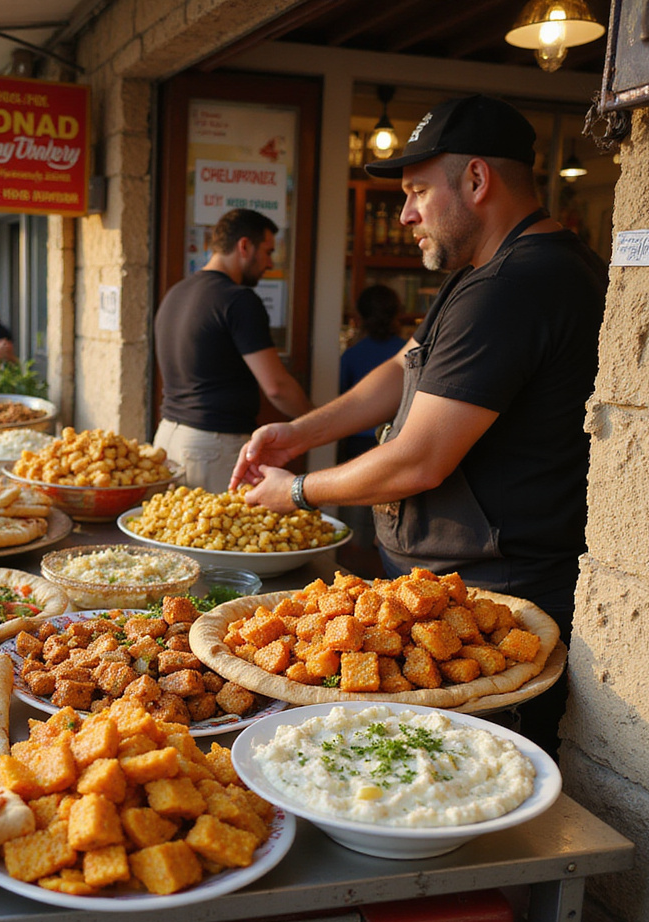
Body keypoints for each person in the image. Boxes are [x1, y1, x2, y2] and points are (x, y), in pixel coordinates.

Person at [230, 95, 608, 754]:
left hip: (492, 600)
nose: (405, 214)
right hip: (447, 587)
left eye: (416, 192)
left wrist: (296, 491)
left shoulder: (515, 285)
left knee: (458, 770)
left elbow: (418, 461)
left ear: (477, 180)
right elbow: (406, 370)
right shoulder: (484, 273)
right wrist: (296, 435)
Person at [152, 208, 311, 492]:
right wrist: (318, 423)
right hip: (211, 447)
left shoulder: (176, 293)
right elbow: (276, 387)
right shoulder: (238, 300)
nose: (270, 263)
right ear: (244, 246)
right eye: (267, 251)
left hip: (167, 440)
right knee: (212, 536)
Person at [338, 284, 405, 463]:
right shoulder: (409, 352)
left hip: (357, 439)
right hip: (398, 436)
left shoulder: (352, 355)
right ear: (396, 313)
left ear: (360, 315)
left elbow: (340, 397)